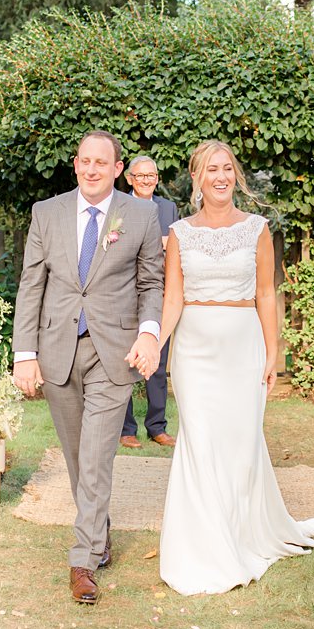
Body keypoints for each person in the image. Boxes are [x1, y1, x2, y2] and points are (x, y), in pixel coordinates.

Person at [152, 141, 314, 596]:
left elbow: (265, 293)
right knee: (199, 442)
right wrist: (152, 343)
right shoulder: (179, 232)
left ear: (235, 176)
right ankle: (204, 546)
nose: (219, 177)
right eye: (210, 170)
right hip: (194, 353)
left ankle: (241, 533)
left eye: (226, 169)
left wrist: (271, 351)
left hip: (243, 348)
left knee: (239, 444)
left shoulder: (257, 228)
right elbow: (173, 298)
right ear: (196, 178)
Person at [12, 130, 164, 606]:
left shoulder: (141, 213)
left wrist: (149, 331)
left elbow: (151, 282)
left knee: (97, 456)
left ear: (118, 169)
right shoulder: (47, 213)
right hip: (57, 350)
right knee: (78, 456)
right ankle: (99, 530)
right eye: (84, 161)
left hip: (113, 351)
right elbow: (31, 284)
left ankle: (83, 559)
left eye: (102, 162)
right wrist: (24, 354)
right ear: (75, 165)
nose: (92, 169)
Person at [121, 154, 179, 450]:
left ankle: (157, 426)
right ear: (129, 178)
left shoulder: (168, 208)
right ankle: (126, 428)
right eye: (140, 176)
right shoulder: (118, 206)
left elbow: (175, 250)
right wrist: (159, 243)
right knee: (126, 361)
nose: (146, 180)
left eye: (152, 176)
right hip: (124, 292)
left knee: (157, 361)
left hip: (158, 293)